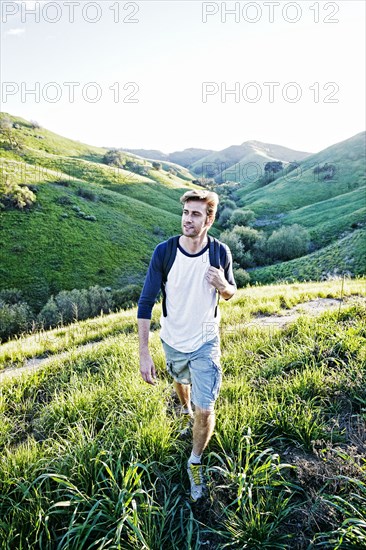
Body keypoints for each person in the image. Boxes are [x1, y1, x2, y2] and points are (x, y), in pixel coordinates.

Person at [137, 189, 236, 501]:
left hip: (206, 339)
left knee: (205, 407)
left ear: (209, 220)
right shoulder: (164, 252)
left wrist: (224, 286)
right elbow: (145, 302)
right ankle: (183, 407)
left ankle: (195, 461)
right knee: (181, 382)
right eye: (185, 213)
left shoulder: (220, 253)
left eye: (195, 214)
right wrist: (144, 352)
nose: (188, 219)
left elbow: (231, 291)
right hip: (173, 339)